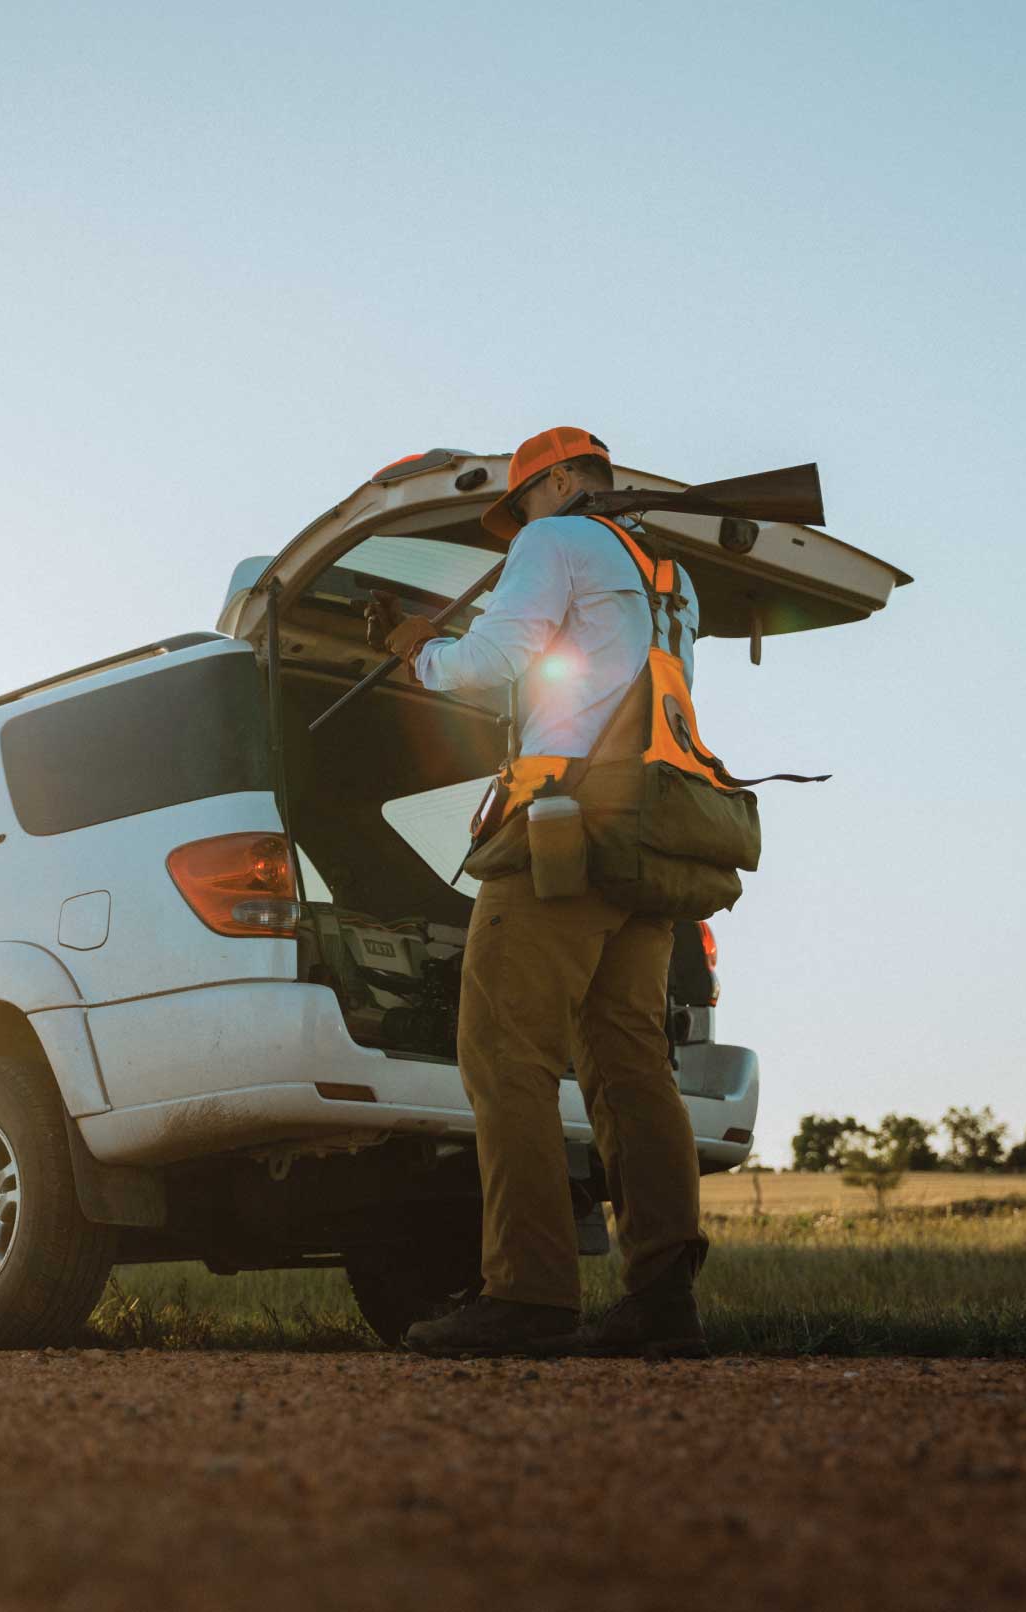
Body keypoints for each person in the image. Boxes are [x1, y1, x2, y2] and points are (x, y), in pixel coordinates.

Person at [364, 426, 710, 1359]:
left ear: (557, 481)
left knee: (504, 1055)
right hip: (654, 834)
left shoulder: (553, 540)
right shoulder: (672, 574)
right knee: (633, 1068)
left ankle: (528, 1294)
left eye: (522, 504)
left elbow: (490, 666)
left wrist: (419, 652)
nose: (516, 525)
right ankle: (662, 1299)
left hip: (566, 832)